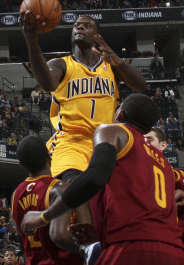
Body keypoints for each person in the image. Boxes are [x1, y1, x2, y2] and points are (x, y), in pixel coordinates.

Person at [20, 13, 146, 248]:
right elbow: (47, 84)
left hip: (103, 144)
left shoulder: (110, 66)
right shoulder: (61, 64)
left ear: (97, 35)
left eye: (86, 26)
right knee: (75, 184)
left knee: (111, 202)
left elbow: (141, 86)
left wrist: (117, 59)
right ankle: (91, 248)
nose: (79, 28)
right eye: (76, 26)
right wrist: (32, 42)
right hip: (70, 141)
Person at [21, 93, 184, 265]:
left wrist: (44, 216)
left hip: (131, 247)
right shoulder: (165, 165)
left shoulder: (113, 131)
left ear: (120, 114)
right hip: (175, 252)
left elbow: (95, 176)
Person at [11, 135, 83, 264]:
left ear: (21, 165)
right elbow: (61, 237)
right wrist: (86, 248)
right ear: (49, 156)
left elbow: (20, 232)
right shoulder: (60, 189)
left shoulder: (15, 194)